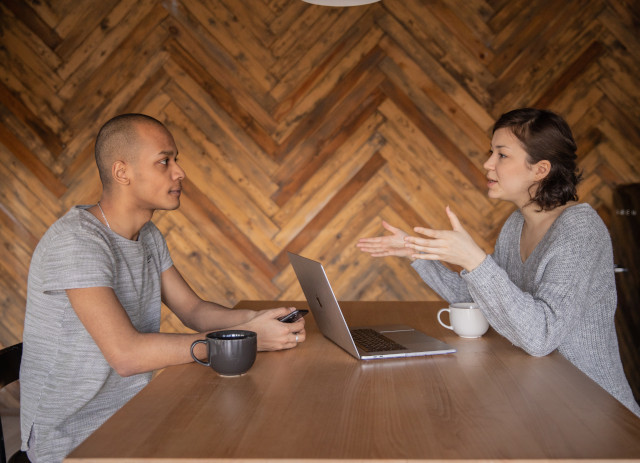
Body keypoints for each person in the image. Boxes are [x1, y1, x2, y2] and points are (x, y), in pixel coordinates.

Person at [19, 114, 307, 462]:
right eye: (164, 161)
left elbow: (194, 311)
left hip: (136, 417)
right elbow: (127, 356)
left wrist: (259, 318)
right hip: (76, 440)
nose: (179, 172)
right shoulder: (76, 242)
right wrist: (246, 339)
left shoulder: (148, 236)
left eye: (176, 160)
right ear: (122, 172)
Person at [357, 108, 640, 417]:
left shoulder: (580, 231)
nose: (487, 163)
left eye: (502, 155)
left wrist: (475, 260)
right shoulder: (515, 225)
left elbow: (541, 337)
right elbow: (483, 301)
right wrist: (417, 254)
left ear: (540, 169)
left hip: (594, 414)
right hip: (541, 398)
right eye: (490, 152)